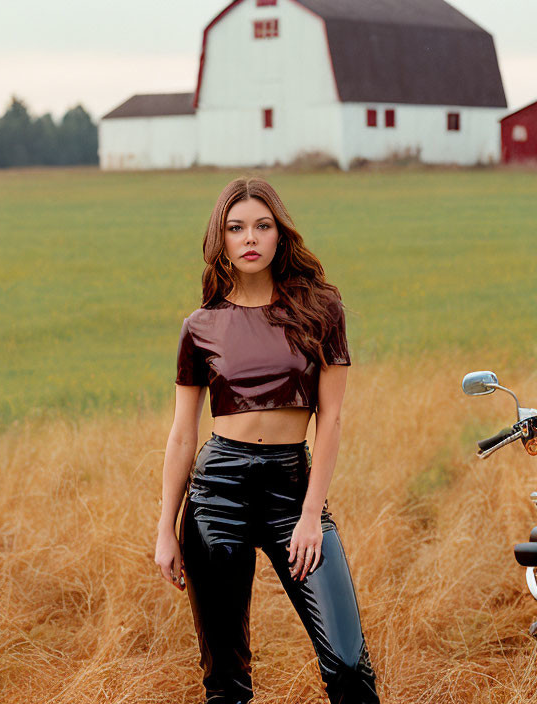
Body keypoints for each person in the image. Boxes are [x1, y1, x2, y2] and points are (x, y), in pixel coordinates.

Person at [154, 177, 380, 704]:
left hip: (292, 489)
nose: (250, 238)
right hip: (216, 494)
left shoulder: (321, 311)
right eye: (236, 228)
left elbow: (332, 419)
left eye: (262, 225)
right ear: (222, 240)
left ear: (280, 235)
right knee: (226, 682)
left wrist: (309, 515)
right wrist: (166, 526)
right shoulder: (200, 326)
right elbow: (183, 432)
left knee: (347, 666)